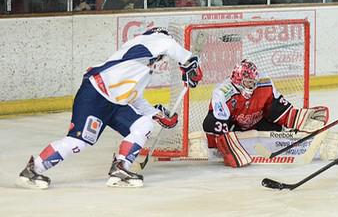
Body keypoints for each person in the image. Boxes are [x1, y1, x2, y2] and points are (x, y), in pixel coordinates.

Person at [16, 27, 203, 189]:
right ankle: (34, 169)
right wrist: (189, 62)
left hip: (115, 104)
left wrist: (156, 114)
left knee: (144, 124)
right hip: (96, 94)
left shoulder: (143, 68)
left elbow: (134, 98)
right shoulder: (147, 41)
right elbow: (168, 43)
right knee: (78, 142)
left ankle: (121, 168)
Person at [202, 59, 328, 168]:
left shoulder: (265, 84)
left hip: (258, 122)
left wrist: (300, 120)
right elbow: (218, 123)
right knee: (210, 123)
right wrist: (223, 148)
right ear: (238, 81)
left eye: (253, 82)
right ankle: (215, 148)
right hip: (235, 126)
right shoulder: (223, 92)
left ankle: (304, 135)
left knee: (277, 130)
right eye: (248, 82)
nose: (252, 86)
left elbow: (279, 110)